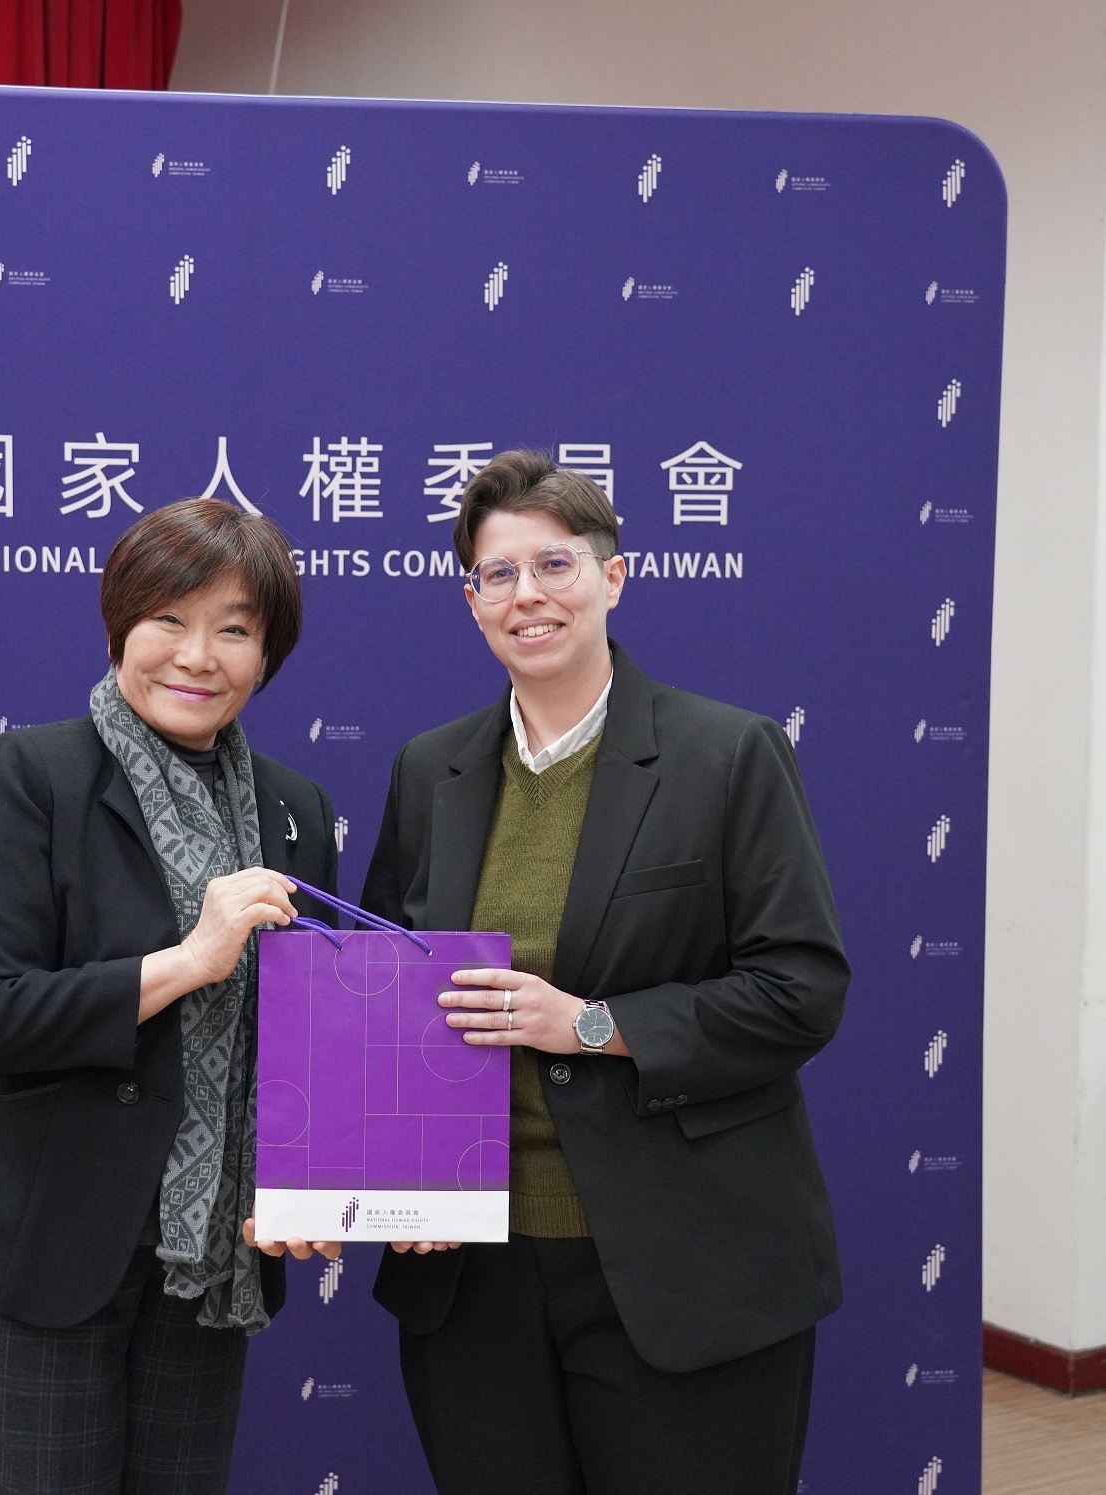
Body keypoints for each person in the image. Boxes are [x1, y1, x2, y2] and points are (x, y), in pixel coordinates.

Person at [362, 450, 849, 1495]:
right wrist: (386, 1185)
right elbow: (389, 999)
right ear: (470, 600)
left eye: (555, 564)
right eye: (498, 574)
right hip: (473, 1278)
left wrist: (589, 1022)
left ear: (612, 576)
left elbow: (799, 990)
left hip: (685, 1266)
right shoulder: (430, 769)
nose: (526, 595)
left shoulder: (727, 755)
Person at [0, 498, 340, 1495]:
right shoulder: (33, 776)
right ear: (121, 623)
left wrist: (316, 1176)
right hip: (33, 1237)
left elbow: (312, 1037)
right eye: (169, 618)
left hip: (204, 1257)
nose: (196, 655)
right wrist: (190, 958)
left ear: (266, 655)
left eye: (234, 629)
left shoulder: (294, 810)